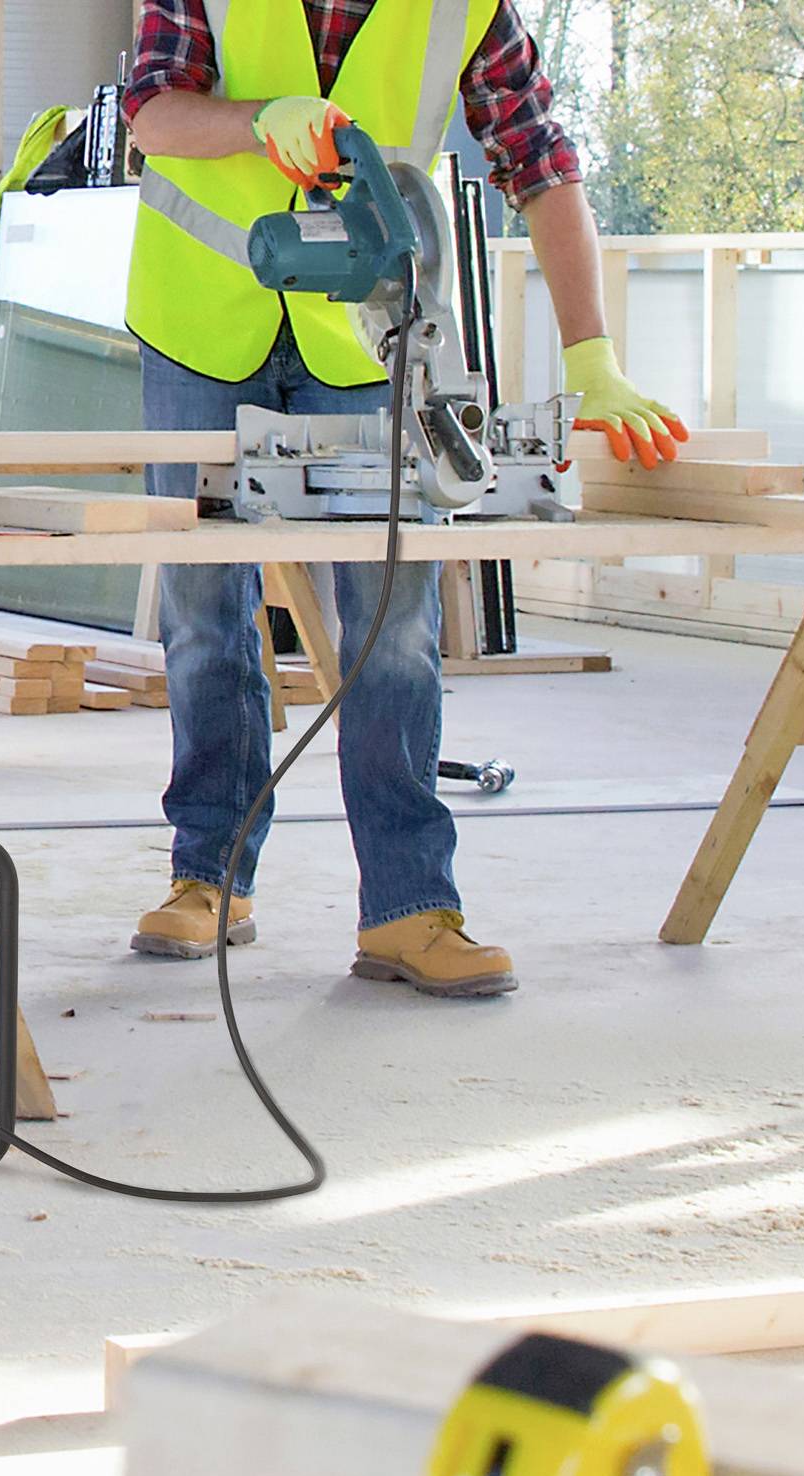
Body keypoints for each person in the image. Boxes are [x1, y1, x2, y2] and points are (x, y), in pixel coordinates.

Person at [120, 0, 688, 997]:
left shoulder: (466, 6)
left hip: (367, 327)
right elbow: (155, 113)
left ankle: (407, 906)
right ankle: (206, 877)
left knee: (393, 623)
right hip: (202, 315)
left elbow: (539, 162)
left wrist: (591, 354)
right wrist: (260, 117)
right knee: (204, 615)